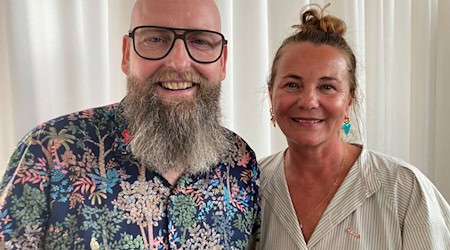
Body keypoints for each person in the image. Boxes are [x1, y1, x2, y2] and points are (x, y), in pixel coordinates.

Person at [0, 0, 260, 249]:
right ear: (127, 54)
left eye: (201, 41)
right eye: (156, 39)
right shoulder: (49, 152)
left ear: (222, 61)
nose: (179, 62)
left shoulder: (240, 162)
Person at [260, 4, 450, 249]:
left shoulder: (405, 190)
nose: (308, 101)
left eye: (327, 86)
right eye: (292, 85)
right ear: (271, 94)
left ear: (349, 100)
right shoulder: (248, 187)